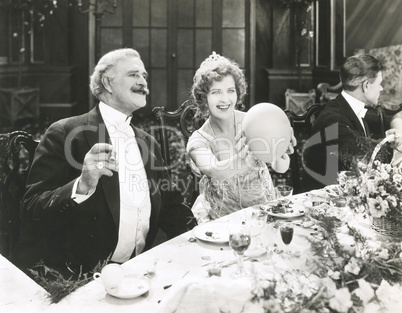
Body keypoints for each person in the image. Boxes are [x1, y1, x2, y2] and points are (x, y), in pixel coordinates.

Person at [12, 48, 196, 276]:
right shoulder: (66, 133)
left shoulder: (149, 143)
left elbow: (172, 207)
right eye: (133, 75)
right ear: (108, 83)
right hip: (77, 280)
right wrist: (82, 185)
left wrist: (201, 241)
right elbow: (30, 212)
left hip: (136, 275)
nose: (143, 82)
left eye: (144, 76)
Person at [186, 52, 296, 223]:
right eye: (216, 92)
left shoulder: (252, 120)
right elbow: (215, 171)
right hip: (225, 222)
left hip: (264, 212)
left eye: (230, 91)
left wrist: (280, 151)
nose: (225, 99)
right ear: (203, 98)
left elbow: (280, 168)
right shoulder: (199, 140)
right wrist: (245, 156)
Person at [304, 54, 384, 190]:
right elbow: (362, 167)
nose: (381, 89)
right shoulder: (334, 120)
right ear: (365, 86)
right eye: (379, 84)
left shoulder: (345, 106)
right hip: (324, 201)